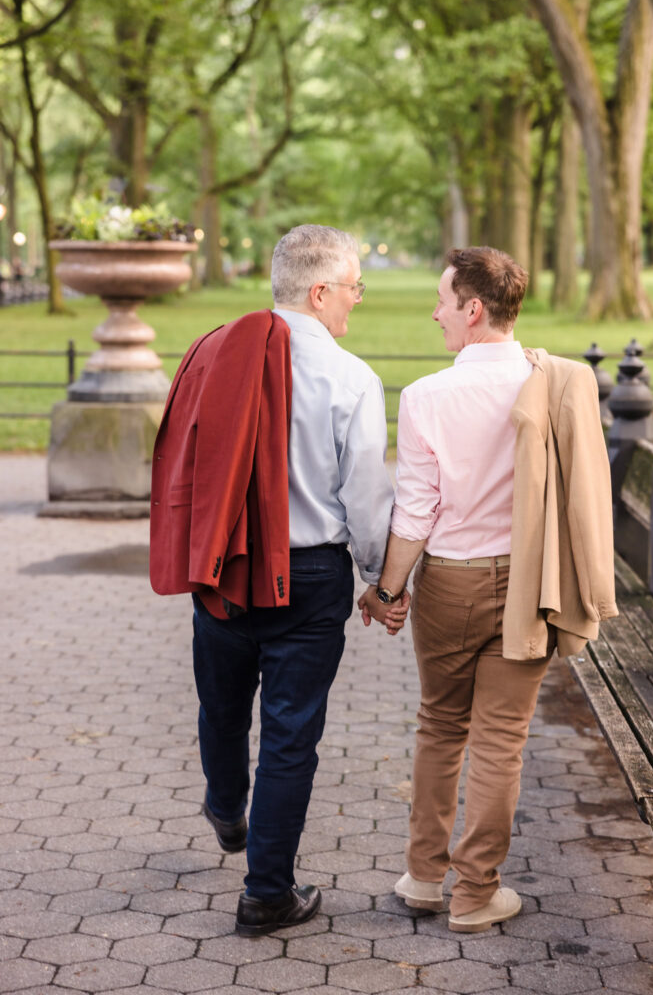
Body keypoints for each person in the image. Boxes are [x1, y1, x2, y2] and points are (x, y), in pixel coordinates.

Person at [151, 224, 407, 938]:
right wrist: (382, 583)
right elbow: (364, 499)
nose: (356, 300)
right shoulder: (349, 376)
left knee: (223, 708)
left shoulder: (210, 354)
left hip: (224, 569)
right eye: (353, 287)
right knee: (291, 736)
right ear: (319, 290)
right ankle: (266, 894)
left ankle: (227, 806)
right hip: (311, 575)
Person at [359, 246, 617, 933]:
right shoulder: (555, 383)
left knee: (440, 728)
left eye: (443, 301)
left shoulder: (424, 397)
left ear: (472, 309)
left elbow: (415, 512)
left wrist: (387, 591)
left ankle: (422, 877)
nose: (435, 313)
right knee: (501, 742)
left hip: (446, 583)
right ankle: (475, 894)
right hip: (530, 586)